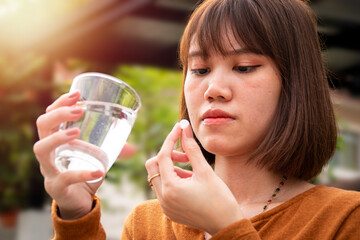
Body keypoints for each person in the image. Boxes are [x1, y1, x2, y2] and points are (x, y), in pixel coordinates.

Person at [33, 0, 360, 239]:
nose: (213, 89)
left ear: (295, 83)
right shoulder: (149, 223)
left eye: (244, 67)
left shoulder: (345, 219)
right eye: (199, 70)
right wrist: (76, 215)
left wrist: (228, 229)